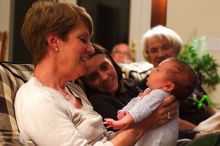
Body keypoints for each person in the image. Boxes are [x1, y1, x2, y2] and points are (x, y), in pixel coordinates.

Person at [14, 2, 178, 146]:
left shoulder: (73, 89)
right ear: (54, 42)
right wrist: (144, 125)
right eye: (83, 39)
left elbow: (106, 139)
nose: (91, 49)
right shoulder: (37, 99)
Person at [140, 25, 216, 139]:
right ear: (148, 55)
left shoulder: (188, 74)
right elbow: (166, 117)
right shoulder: (149, 84)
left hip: (210, 126)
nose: (160, 54)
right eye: (154, 50)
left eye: (165, 47)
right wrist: (202, 131)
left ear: (175, 49)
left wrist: (216, 117)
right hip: (195, 133)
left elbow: (207, 104)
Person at [104, 57, 197, 146]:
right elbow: (137, 102)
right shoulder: (155, 94)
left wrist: (122, 122)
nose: (152, 69)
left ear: (168, 86)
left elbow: (141, 109)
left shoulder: (159, 94)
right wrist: (125, 112)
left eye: (157, 70)